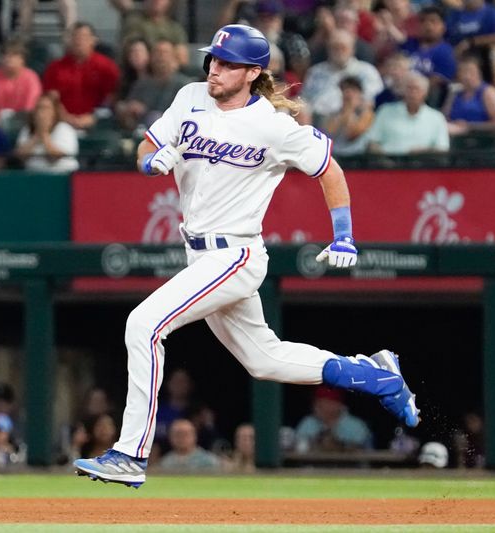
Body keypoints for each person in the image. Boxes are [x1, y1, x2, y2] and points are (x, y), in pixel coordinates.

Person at [73, 24, 419, 489]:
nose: (215, 69)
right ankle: (375, 375)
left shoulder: (274, 127)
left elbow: (329, 168)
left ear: (254, 72)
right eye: (214, 59)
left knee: (143, 324)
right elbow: (148, 146)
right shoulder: (190, 96)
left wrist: (343, 236)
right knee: (265, 359)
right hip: (199, 255)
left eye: (228, 63)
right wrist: (148, 159)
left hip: (235, 253)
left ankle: (130, 454)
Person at [42, 22, 120, 130]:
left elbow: (112, 98)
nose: (78, 41)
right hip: (61, 122)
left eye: (83, 37)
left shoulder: (106, 66)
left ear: (93, 40)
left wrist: (93, 117)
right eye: (75, 36)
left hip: (98, 122)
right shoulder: (55, 68)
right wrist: (66, 118)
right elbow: (51, 98)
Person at [301, 29, 383, 126]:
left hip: (350, 123)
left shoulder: (367, 72)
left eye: (343, 47)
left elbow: (371, 101)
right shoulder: (316, 72)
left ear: (352, 49)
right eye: (334, 47)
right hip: (317, 121)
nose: (338, 51)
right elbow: (304, 98)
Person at [115, 38, 192, 133]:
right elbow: (128, 111)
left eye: (165, 53)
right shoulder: (142, 84)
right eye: (157, 53)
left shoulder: (185, 85)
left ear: (174, 58)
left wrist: (147, 112)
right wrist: (128, 110)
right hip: (141, 134)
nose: (161, 57)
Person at [366, 71, 450, 154]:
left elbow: (442, 149)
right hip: (388, 164)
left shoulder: (436, 118)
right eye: (409, 88)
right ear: (403, 91)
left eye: (416, 89)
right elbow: (372, 142)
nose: (412, 93)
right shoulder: (385, 111)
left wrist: (425, 151)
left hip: (423, 164)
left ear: (425, 93)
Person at [294, 386, 374, 452]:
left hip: (349, 468)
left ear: (338, 404)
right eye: (317, 403)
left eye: (325, 403)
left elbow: (366, 453)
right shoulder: (307, 423)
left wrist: (340, 446)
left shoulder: (356, 425)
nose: (318, 407)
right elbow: (298, 449)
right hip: (313, 468)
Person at [0, 38, 42, 122]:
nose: (8, 59)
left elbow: (30, 108)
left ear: (22, 59)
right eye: (5, 55)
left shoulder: (32, 78)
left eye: (13, 55)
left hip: (23, 122)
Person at [109, 0, 189, 66]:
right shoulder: (132, 18)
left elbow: (182, 59)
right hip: (135, 73)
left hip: (165, 73)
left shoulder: (175, 29)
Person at [14, 93, 79, 172]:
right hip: (33, 176)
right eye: (38, 108)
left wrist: (44, 134)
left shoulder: (64, 129)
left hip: (61, 176)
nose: (41, 113)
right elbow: (20, 157)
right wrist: (36, 136)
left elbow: (54, 158)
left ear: (54, 112)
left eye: (45, 108)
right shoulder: (27, 130)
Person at [443, 55, 495, 136]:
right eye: (462, 71)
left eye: (470, 71)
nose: (466, 76)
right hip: (456, 137)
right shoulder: (454, 93)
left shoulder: (488, 93)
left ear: (478, 72)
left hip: (483, 138)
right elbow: (445, 117)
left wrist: (470, 126)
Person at [323, 76, 374, 156]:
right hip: (336, 155)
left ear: (360, 93)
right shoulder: (334, 113)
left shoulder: (366, 113)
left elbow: (351, 134)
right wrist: (344, 112)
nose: (348, 94)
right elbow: (328, 134)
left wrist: (350, 109)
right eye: (345, 90)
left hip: (357, 157)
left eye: (353, 90)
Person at [156, 418, 222, 471]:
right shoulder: (165, 463)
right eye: (177, 434)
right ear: (170, 437)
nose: (181, 438)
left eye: (185, 434)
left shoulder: (209, 461)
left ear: (194, 436)